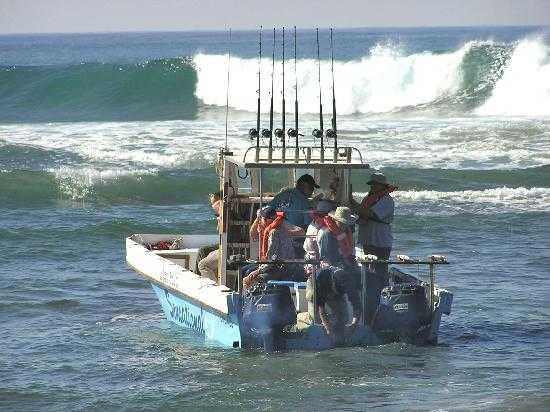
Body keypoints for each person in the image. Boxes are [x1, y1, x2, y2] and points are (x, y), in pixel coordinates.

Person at [313, 206, 362, 343]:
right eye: (343, 223)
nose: (345, 226)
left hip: (341, 273)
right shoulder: (327, 234)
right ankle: (331, 333)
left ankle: (340, 334)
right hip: (328, 272)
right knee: (332, 311)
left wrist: (353, 325)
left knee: (343, 314)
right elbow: (320, 305)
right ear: (337, 221)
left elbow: (357, 304)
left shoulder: (348, 282)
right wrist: (328, 329)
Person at [242, 206, 305, 289]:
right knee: (244, 270)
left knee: (254, 278)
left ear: (267, 220)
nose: (260, 221)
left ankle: (255, 299)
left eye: (261, 219)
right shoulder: (269, 228)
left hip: (283, 267)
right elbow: (253, 234)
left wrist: (257, 272)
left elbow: (272, 260)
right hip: (273, 264)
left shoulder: (275, 232)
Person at [349, 172, 396, 275]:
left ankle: (381, 289)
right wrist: (352, 202)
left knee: (380, 269)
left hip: (380, 241)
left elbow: (370, 213)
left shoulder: (387, 200)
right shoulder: (371, 198)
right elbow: (361, 210)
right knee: (369, 269)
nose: (373, 186)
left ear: (383, 186)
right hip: (369, 239)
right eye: (372, 184)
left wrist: (352, 203)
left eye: (376, 184)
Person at [303, 200, 337, 276]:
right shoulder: (323, 229)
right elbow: (321, 253)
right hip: (317, 264)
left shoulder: (312, 223)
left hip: (310, 261)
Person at [197, 191, 223, 282]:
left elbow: (220, 230)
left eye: (214, 202)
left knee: (202, 262)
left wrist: (219, 218)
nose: (212, 206)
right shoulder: (221, 211)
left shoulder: (222, 208)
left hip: (225, 246)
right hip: (222, 244)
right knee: (204, 251)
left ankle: (210, 285)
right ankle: (200, 278)